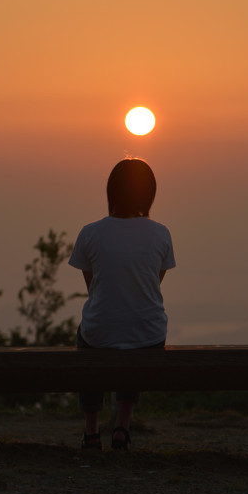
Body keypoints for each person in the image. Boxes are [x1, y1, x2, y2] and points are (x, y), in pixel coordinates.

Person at [68, 158, 175, 450]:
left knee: (88, 337)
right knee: (136, 325)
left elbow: (95, 289)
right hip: (148, 337)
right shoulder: (161, 233)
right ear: (149, 194)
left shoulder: (90, 233)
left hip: (100, 335)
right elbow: (151, 285)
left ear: (111, 192)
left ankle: (91, 431)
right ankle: (122, 427)